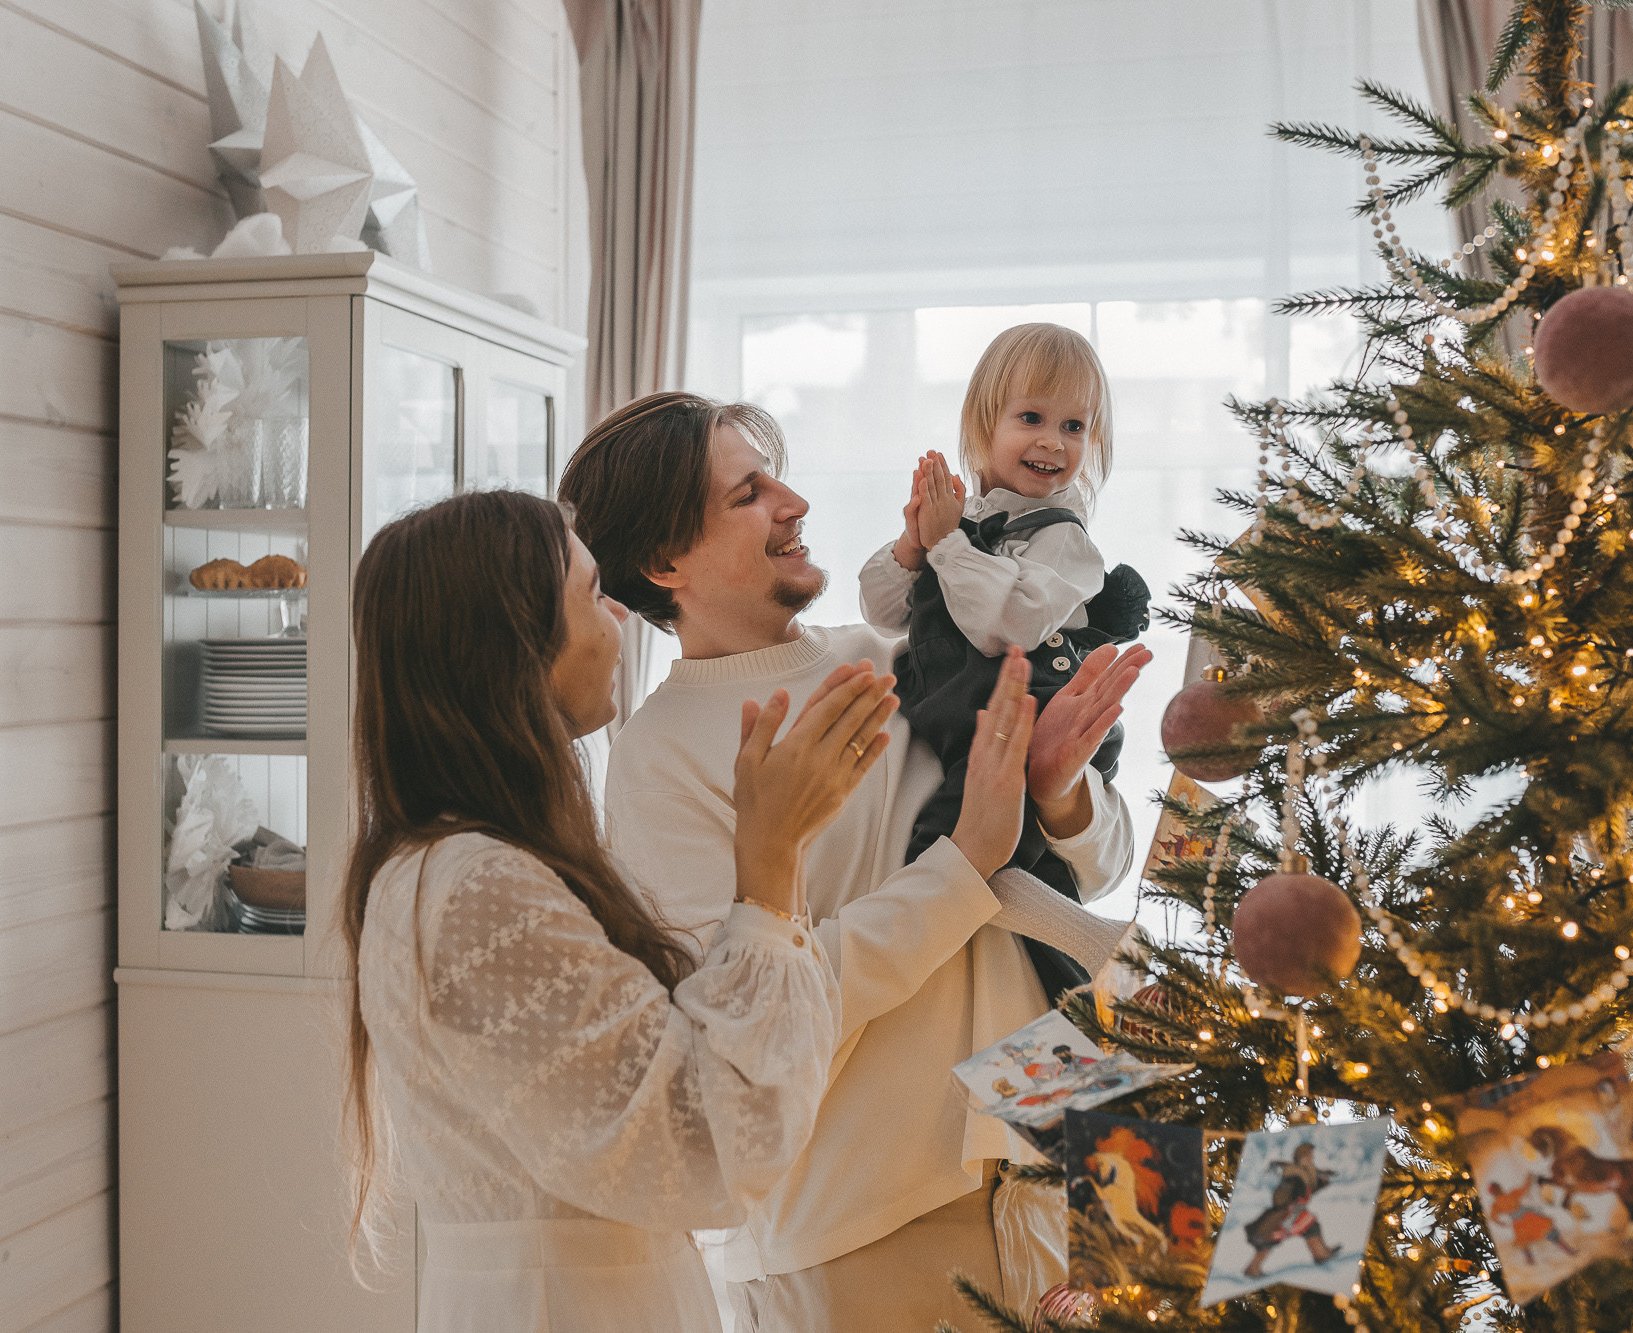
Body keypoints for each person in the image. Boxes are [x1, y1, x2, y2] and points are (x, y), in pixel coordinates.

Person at [559, 392, 1153, 1331]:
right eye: (748, 493)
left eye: (777, 478)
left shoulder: (906, 654)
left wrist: (1059, 793)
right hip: (868, 1223)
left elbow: (1102, 863)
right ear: (665, 562)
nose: (792, 502)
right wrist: (963, 864)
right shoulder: (658, 758)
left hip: (1083, 1158)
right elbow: (747, 1030)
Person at [338, 491, 997, 1332]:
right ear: (512, 642)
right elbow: (706, 1147)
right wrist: (772, 860)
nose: (618, 614)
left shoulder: (463, 866)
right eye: (590, 594)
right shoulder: (475, 888)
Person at [860, 323, 1150, 1001]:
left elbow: (1008, 626)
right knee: (990, 860)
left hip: (1030, 712)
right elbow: (883, 609)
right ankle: (1088, 956)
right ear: (982, 424)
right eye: (1031, 418)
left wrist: (947, 548)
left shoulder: (1064, 540)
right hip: (967, 715)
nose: (1053, 441)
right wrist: (914, 543)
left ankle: (1085, 958)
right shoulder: (960, 521)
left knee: (945, 854)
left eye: (1074, 426)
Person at [1240, 1142, 1342, 1278]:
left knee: (1312, 1227)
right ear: (1301, 1157)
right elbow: (1282, 1195)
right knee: (1270, 1239)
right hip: (1288, 1213)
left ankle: (1321, 1254)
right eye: (1308, 1156)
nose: (1311, 1159)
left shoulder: (1306, 1173)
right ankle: (1253, 1269)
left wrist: (1324, 1178)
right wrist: (1290, 1203)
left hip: (1296, 1212)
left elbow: (1311, 1186)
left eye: (1311, 1156)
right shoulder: (1294, 1174)